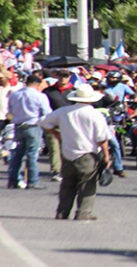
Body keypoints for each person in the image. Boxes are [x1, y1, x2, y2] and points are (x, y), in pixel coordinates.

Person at [39, 84, 112, 220]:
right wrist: (106, 156)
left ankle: (62, 212)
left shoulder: (64, 111)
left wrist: (56, 134)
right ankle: (83, 213)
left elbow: (43, 122)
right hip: (87, 154)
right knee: (87, 185)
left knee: (67, 185)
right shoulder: (95, 115)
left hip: (67, 153)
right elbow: (102, 138)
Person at [7, 74, 52, 190]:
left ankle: (13, 179)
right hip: (33, 125)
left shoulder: (15, 95)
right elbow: (46, 112)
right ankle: (32, 181)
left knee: (18, 154)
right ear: (37, 84)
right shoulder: (40, 96)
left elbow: (10, 110)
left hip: (18, 125)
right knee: (32, 154)